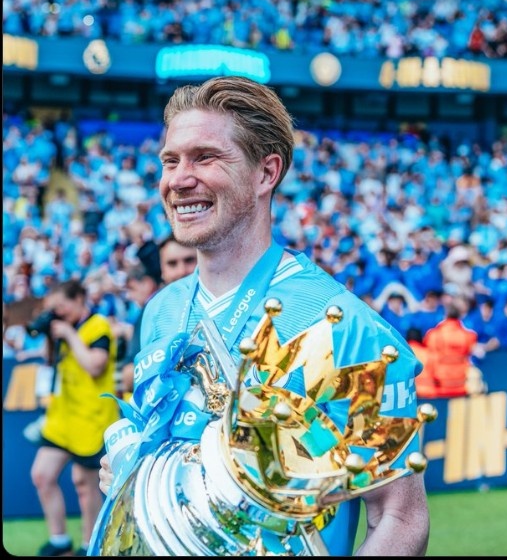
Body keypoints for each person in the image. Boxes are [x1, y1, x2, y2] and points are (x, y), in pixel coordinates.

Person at [98, 75, 429, 556]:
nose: (179, 179)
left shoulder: (346, 329)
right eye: (171, 161)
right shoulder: (160, 311)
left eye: (205, 157)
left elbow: (399, 517)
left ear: (265, 173)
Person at [30, 279, 119, 557]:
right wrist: (51, 335)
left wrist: (69, 333)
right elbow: (50, 362)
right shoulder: (62, 328)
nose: (58, 313)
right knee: (42, 474)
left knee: (84, 483)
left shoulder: (98, 325)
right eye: (53, 309)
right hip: (62, 418)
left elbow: (95, 365)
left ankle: (88, 544)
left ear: (79, 299)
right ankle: (59, 540)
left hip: (91, 418)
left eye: (61, 306)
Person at [120, 236, 197, 394]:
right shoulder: (153, 310)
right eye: (172, 264)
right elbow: (128, 377)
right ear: (162, 270)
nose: (182, 271)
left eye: (189, 260)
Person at [422, 299, 478, 397]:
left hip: (440, 385)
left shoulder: (433, 335)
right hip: (461, 385)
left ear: (445, 316)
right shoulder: (469, 336)